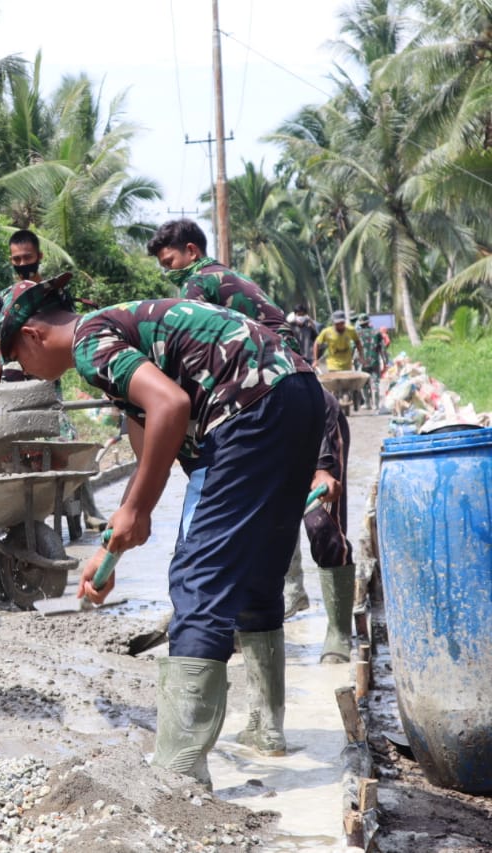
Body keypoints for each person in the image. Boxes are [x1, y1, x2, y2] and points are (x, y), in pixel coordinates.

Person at [0, 281, 325, 788]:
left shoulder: (89, 342)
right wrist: (118, 536)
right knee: (257, 570)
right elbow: (155, 447)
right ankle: (266, 730)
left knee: (198, 581)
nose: (26, 373)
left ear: (34, 336)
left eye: (17, 359)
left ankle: (178, 769)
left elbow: (170, 406)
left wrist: (136, 509)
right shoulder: (123, 329)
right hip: (297, 393)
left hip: (247, 406)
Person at [149, 217, 356, 682]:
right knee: (270, 524)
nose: (170, 274)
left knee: (322, 521)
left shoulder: (200, 284)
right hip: (266, 408)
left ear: (191, 250)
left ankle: (340, 631)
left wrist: (323, 465)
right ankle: (284, 598)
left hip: (299, 403)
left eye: (170, 262)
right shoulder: (219, 287)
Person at [0, 229, 45, 384]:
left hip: (47, 385)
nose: (23, 264)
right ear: (10, 260)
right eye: (17, 259)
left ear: (39, 256)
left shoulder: (54, 294)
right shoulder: (2, 299)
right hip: (10, 386)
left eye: (28, 257)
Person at [356, 313, 389, 409]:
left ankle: (367, 404)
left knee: (364, 383)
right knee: (375, 383)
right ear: (368, 322)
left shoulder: (357, 334)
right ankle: (376, 405)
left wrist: (352, 361)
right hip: (374, 361)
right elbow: (382, 348)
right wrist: (385, 360)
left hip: (362, 362)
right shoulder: (376, 332)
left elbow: (353, 348)